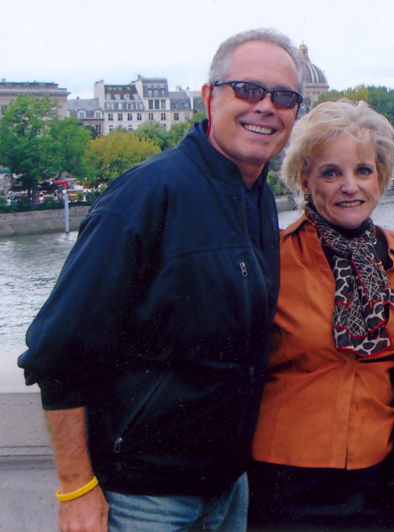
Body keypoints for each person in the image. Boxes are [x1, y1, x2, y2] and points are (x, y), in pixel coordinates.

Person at [18, 28, 305, 532]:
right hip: (144, 500)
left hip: (227, 490)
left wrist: (381, 240)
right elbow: (57, 353)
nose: (266, 107)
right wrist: (76, 486)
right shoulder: (147, 194)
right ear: (209, 96)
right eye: (248, 90)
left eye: (283, 97)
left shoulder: (257, 195)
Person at [247, 99, 394, 532]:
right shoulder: (271, 259)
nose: (350, 187)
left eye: (363, 171)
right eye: (331, 173)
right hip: (287, 482)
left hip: (383, 479)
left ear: (380, 177)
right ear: (305, 179)